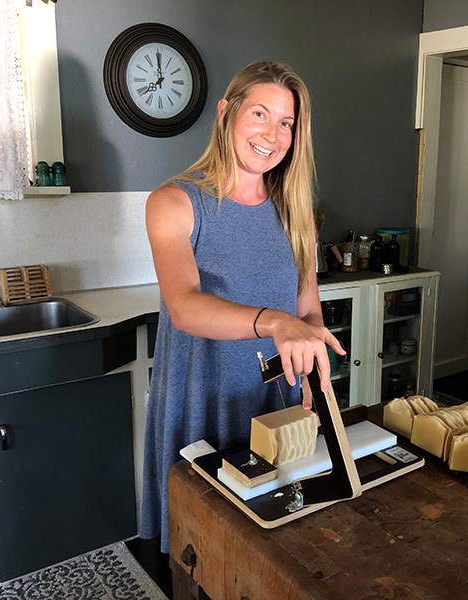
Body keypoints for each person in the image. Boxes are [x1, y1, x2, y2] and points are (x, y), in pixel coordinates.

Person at [141, 60, 344, 552]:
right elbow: (185, 307)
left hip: (273, 394)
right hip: (202, 394)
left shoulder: (297, 212)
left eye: (286, 123)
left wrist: (314, 365)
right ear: (226, 112)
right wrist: (275, 323)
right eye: (259, 114)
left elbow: (307, 302)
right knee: (203, 544)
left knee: (272, 538)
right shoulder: (175, 202)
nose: (271, 134)